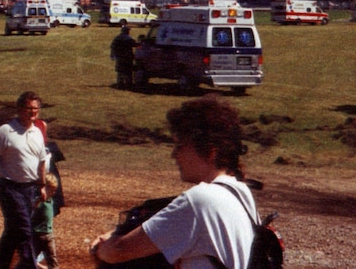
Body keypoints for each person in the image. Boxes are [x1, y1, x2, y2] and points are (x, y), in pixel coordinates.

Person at [90, 94, 258, 268]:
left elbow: (119, 250)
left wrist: (100, 248)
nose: (174, 154)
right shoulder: (239, 193)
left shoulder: (201, 200)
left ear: (210, 152)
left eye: (180, 147)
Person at [0, 91, 48, 269]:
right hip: (10, 188)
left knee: (12, 231)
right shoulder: (5, 131)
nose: (32, 112)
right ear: (19, 109)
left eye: (36, 109)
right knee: (24, 230)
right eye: (28, 108)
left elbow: (41, 161)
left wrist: (41, 186)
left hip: (29, 189)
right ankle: (29, 265)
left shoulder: (37, 132)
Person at [32, 173, 60, 269]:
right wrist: (40, 198)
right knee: (29, 260)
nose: (53, 193)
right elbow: (33, 206)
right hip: (36, 235)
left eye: (54, 190)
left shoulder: (50, 200)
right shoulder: (38, 200)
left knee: (53, 260)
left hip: (48, 235)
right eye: (51, 190)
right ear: (44, 188)